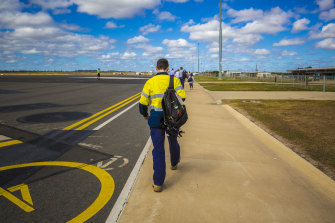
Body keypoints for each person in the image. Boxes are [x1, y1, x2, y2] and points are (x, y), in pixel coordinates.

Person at [139, 58, 186, 192]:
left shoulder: (150, 81)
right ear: (167, 68)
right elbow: (182, 98)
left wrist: (145, 115)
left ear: (156, 68)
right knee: (173, 140)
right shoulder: (174, 80)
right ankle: (174, 163)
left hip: (156, 118)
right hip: (172, 118)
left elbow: (142, 103)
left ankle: (158, 183)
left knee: (158, 149)